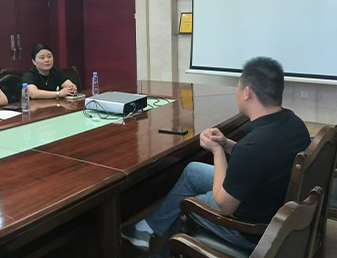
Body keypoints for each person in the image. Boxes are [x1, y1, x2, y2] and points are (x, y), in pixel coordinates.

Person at [121, 57, 311, 251]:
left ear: (247, 93)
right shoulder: (295, 124)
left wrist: (217, 151)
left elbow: (224, 206)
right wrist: (226, 144)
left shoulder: (252, 147)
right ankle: (147, 228)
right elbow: (261, 158)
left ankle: (167, 253)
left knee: (185, 205)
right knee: (192, 171)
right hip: (272, 201)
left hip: (252, 229)